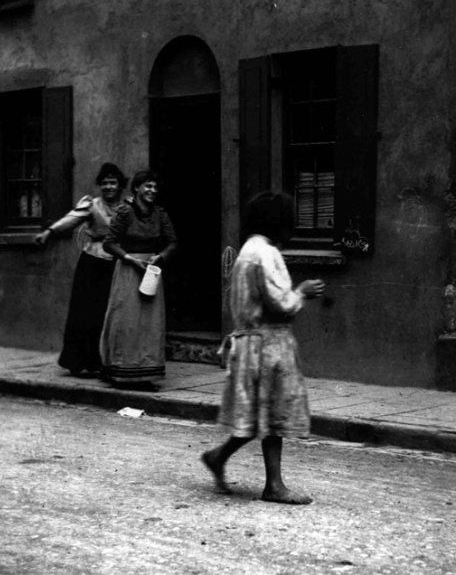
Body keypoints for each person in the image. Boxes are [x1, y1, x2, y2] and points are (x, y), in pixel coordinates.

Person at [201, 191, 325, 505]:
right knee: (272, 416)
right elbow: (282, 304)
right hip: (268, 345)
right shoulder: (266, 254)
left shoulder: (247, 251)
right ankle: (273, 485)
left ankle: (220, 458)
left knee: (256, 419)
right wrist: (302, 292)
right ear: (278, 223)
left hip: (250, 343)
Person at [35, 162, 128, 376]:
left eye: (113, 183)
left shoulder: (127, 207)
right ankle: (80, 362)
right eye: (104, 183)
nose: (108, 187)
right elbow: (71, 219)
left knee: (112, 314)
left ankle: (111, 361)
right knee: (87, 313)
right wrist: (49, 232)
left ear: (120, 185)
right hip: (93, 264)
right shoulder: (91, 205)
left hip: (118, 264)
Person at [100, 170, 177, 387]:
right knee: (126, 320)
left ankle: (146, 372)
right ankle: (122, 369)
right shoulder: (125, 212)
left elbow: (172, 242)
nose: (152, 191)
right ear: (137, 188)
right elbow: (109, 242)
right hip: (128, 270)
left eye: (155, 187)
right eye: (148, 187)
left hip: (151, 272)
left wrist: (160, 256)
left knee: (150, 323)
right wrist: (130, 259)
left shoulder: (160, 214)